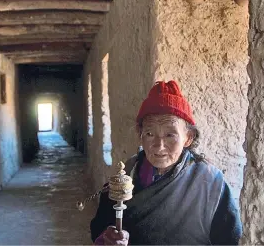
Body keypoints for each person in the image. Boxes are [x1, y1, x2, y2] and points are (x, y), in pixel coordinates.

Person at [90, 80, 242, 245]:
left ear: (188, 138)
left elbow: (230, 239)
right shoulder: (126, 175)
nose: (159, 145)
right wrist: (108, 237)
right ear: (140, 134)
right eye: (149, 133)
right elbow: (99, 227)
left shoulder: (210, 182)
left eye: (170, 135)